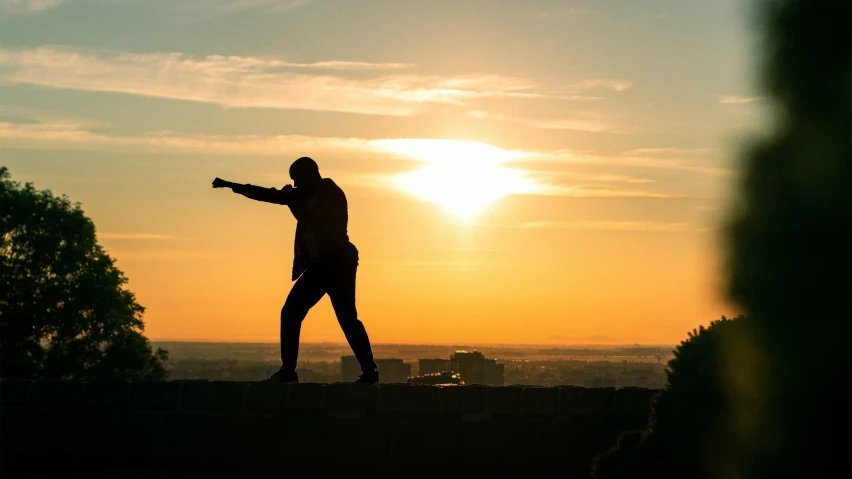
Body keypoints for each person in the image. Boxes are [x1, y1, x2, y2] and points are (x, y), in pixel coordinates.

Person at [212, 157, 379, 384]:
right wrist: (233, 186)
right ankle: (289, 371)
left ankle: (368, 371)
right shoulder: (305, 195)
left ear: (310, 175)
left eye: (297, 180)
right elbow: (270, 195)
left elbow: (315, 220)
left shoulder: (331, 194)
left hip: (336, 264)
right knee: (293, 313)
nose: (295, 185)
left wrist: (292, 201)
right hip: (322, 265)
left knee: (344, 317)